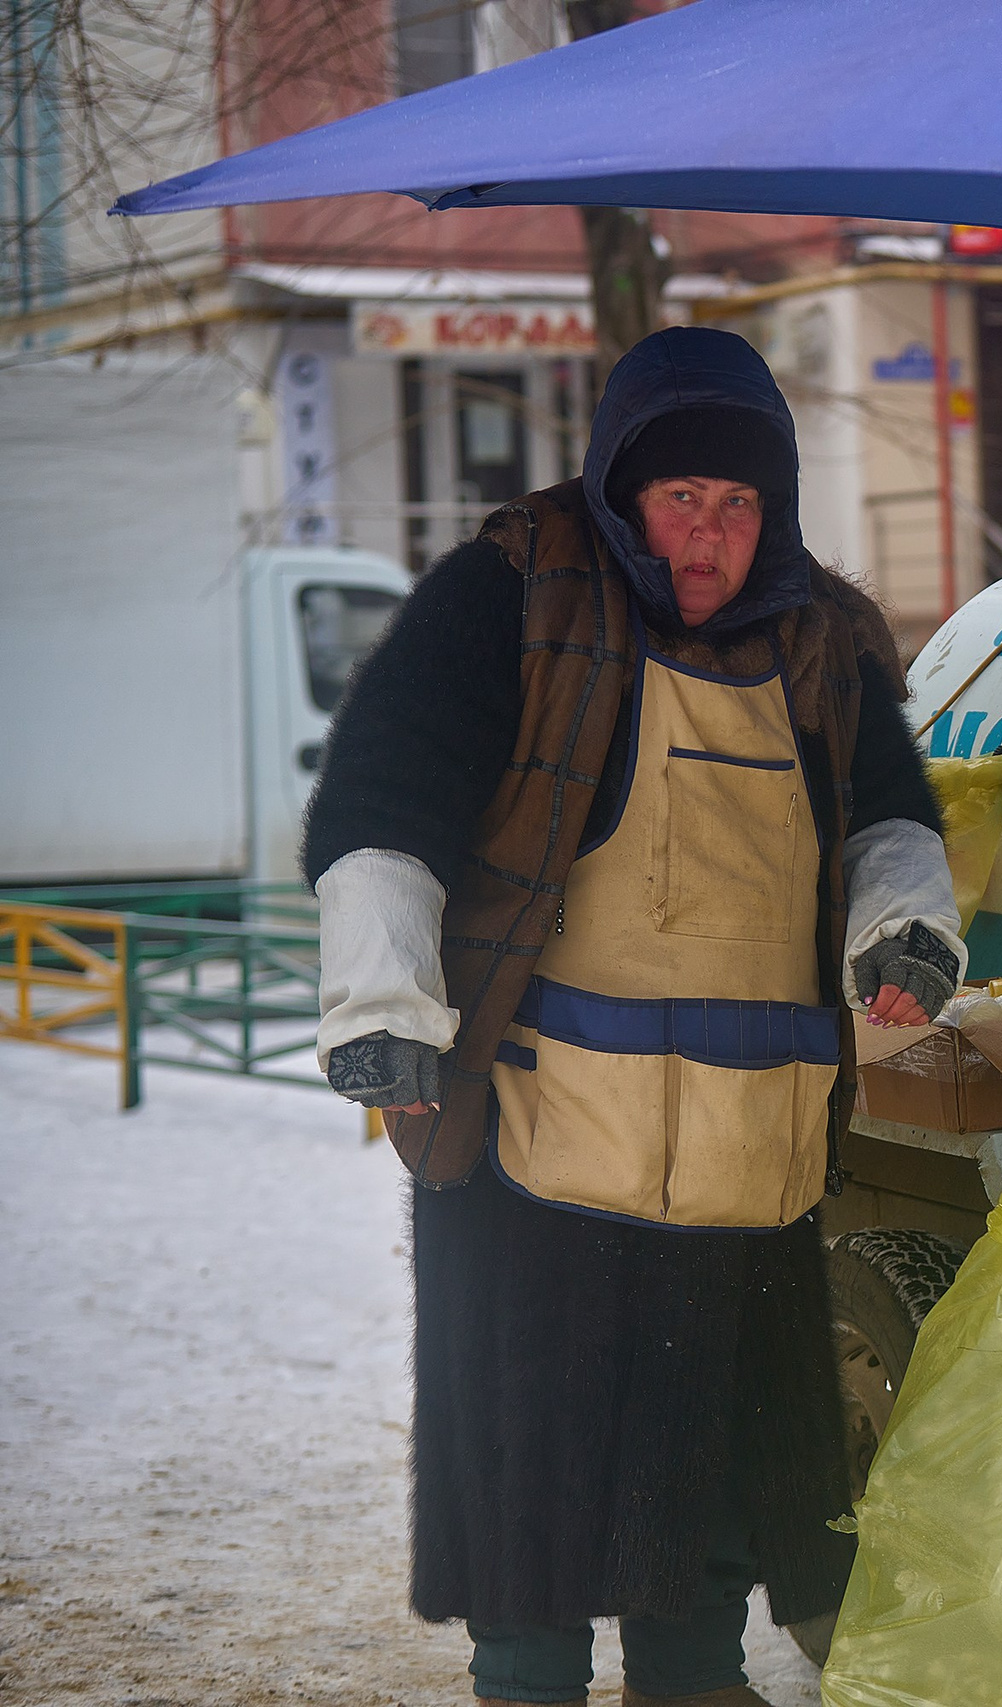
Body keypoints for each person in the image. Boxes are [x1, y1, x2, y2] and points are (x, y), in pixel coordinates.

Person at [304, 326, 964, 1707]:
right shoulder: (510, 597)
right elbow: (384, 796)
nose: (707, 537)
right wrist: (383, 1001)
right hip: (539, 1135)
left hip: (745, 1150)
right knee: (533, 1468)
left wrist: (904, 925)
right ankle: (528, 1686)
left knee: (704, 1465)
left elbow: (891, 813)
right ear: (620, 488)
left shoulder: (822, 637)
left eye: (738, 504)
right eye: (680, 500)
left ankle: (693, 1683)